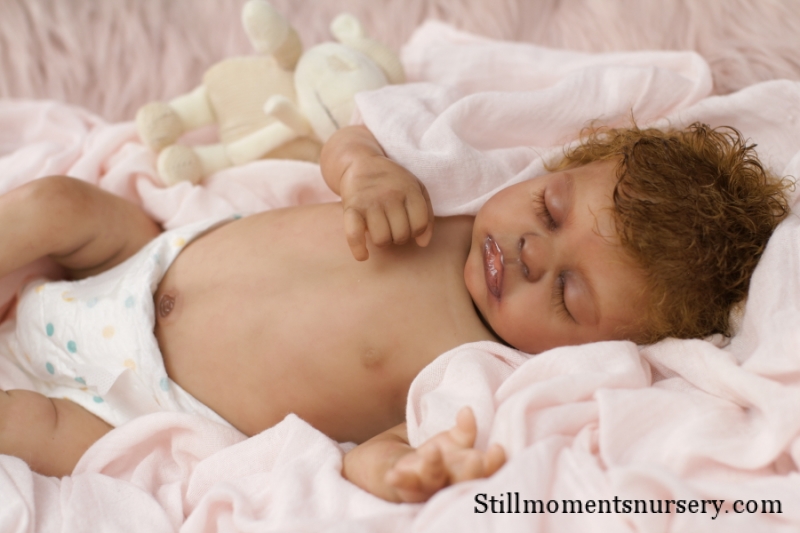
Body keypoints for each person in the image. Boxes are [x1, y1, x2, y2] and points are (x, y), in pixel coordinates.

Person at [0, 121, 790, 503]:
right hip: (140, 260)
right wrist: (365, 172)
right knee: (52, 204)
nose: (530, 252)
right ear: (554, 168)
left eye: (568, 294)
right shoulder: (445, 190)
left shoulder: (477, 368)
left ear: (590, 347)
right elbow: (340, 139)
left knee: (28, 427)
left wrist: (401, 471)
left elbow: (367, 454)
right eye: (549, 210)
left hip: (142, 407)